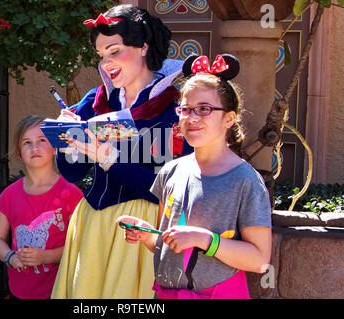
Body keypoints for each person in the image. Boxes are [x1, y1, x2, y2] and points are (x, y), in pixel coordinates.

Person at [51, 4, 192, 299]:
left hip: (141, 230)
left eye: (115, 51)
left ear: (143, 47)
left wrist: (108, 159)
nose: (106, 63)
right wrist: (68, 140)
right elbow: (72, 173)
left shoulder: (173, 110)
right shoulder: (96, 100)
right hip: (93, 224)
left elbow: (166, 191)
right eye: (101, 55)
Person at [116, 54, 272, 299]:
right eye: (186, 109)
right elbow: (170, 247)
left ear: (229, 119)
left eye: (204, 109)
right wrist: (150, 236)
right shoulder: (170, 172)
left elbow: (260, 260)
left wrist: (205, 239)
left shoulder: (245, 181)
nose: (192, 118)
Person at [0, 115, 83, 299]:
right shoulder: (10, 194)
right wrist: (10, 257)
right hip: (19, 291)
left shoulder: (71, 193)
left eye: (42, 140)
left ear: (55, 148)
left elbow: (80, 245)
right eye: (27, 142)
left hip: (58, 291)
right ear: (18, 153)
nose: (35, 147)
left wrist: (45, 257)